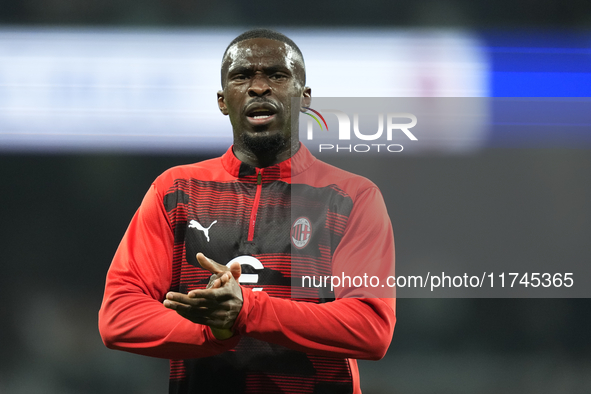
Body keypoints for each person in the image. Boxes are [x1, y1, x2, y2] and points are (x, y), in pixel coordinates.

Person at [99, 28, 396, 394]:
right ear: (223, 100)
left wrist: (247, 311)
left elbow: (371, 328)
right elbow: (118, 316)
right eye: (242, 76)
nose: (259, 87)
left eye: (277, 75)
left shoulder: (352, 196)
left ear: (304, 98)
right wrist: (215, 329)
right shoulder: (175, 190)